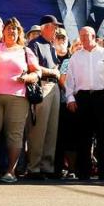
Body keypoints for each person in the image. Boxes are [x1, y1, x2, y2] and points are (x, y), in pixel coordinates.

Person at [64, 26, 104, 181]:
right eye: (81, 36)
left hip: (101, 97)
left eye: (86, 35)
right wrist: (70, 98)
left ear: (94, 36)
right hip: (82, 98)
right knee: (83, 136)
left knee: (103, 136)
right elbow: (70, 80)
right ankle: (84, 172)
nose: (83, 38)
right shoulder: (75, 56)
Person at [0, 17, 39, 183]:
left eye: (15, 29)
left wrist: (27, 78)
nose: (11, 31)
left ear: (19, 33)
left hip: (18, 98)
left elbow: (37, 73)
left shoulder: (25, 51)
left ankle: (11, 172)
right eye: (9, 28)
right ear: (3, 32)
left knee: (14, 136)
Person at [25, 14, 62, 179]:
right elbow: (33, 67)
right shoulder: (35, 44)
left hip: (54, 87)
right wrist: (53, 72)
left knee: (51, 129)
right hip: (43, 85)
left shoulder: (51, 46)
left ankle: (47, 166)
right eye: (54, 27)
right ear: (45, 27)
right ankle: (34, 168)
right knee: (39, 129)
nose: (57, 30)